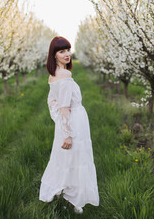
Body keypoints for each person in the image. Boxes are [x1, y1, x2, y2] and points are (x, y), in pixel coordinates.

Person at [39, 36, 99, 214]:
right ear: (54, 55)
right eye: (61, 51)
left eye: (68, 50)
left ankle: (64, 195)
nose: (67, 54)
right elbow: (64, 107)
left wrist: (59, 124)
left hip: (67, 123)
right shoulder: (64, 75)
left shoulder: (54, 74)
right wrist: (67, 134)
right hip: (73, 124)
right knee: (76, 159)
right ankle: (72, 199)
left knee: (66, 160)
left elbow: (52, 102)